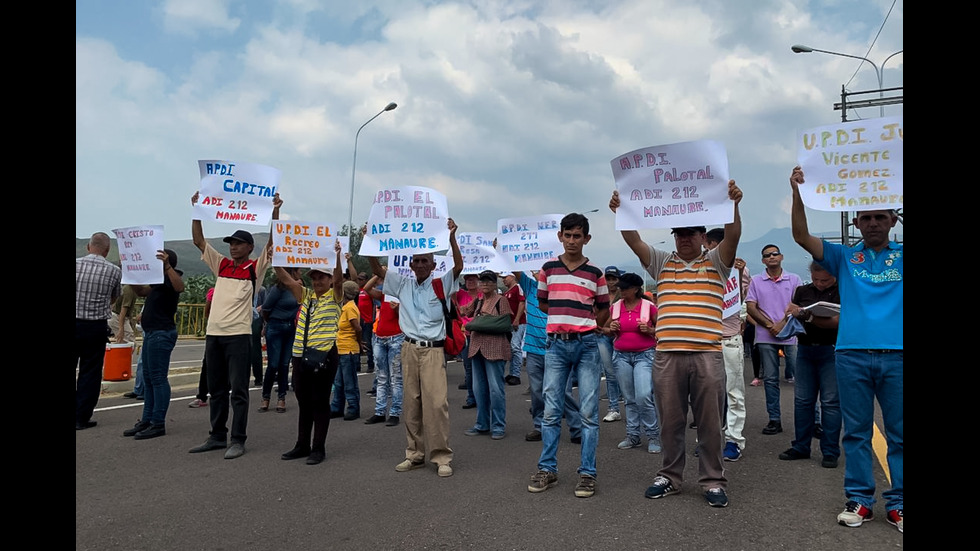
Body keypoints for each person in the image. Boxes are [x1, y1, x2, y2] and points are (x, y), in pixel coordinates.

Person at [609, 179, 743, 508]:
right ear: (674, 237)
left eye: (691, 233)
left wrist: (733, 205)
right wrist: (622, 210)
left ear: (702, 236)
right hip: (667, 355)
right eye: (679, 233)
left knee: (710, 423)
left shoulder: (716, 263)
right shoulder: (661, 261)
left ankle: (712, 480)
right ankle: (669, 476)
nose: (684, 239)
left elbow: (734, 235)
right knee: (671, 421)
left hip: (706, 355)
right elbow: (634, 239)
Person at [789, 165, 902, 533]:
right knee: (856, 432)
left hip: (897, 355)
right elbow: (801, 235)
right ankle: (860, 500)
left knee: (899, 434)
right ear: (856, 223)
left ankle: (898, 505)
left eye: (880, 217)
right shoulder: (842, 258)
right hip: (851, 354)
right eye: (866, 218)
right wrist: (797, 193)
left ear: (893, 220)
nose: (872, 223)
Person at [367, 218, 464, 478]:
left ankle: (441, 455)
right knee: (412, 403)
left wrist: (452, 237)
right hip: (408, 348)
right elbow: (377, 268)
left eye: (425, 261)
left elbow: (459, 266)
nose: (420, 265)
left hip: (433, 351)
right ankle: (415, 454)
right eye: (416, 261)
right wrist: (371, 242)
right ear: (410, 264)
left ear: (433, 265)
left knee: (437, 403)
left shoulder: (440, 283)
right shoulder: (402, 284)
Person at [187, 191, 277, 459]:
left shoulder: (254, 269)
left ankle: (237, 439)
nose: (233, 246)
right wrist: (196, 210)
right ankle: (216, 435)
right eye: (231, 243)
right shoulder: (222, 264)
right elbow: (198, 241)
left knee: (238, 390)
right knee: (217, 389)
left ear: (249, 247)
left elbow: (274, 241)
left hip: (238, 336)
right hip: (214, 335)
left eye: (238, 243)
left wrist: (274, 213)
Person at [526, 212, 610, 499]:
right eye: (568, 235)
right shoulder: (547, 269)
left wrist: (583, 323)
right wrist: (565, 320)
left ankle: (587, 473)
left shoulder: (595, 273)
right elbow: (544, 303)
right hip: (556, 345)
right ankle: (547, 468)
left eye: (578, 236)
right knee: (550, 410)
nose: (572, 240)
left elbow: (603, 308)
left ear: (587, 238)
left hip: (587, 344)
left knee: (588, 412)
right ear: (560, 236)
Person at [276, 240, 344, 465]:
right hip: (300, 356)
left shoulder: (335, 298)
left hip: (324, 356)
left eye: (321, 277)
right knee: (304, 402)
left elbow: (340, 280)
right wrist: (274, 258)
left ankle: (318, 448)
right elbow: (285, 279)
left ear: (330, 279)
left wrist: (336, 257)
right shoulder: (305, 296)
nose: (317, 281)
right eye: (314, 278)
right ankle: (302, 444)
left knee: (320, 401)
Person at [777, 261, 842, 469]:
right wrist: (792, 313)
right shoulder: (802, 290)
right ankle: (801, 446)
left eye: (825, 280)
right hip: (805, 348)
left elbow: (839, 320)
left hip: (831, 349)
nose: (820, 284)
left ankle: (830, 450)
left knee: (831, 403)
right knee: (803, 401)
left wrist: (808, 315)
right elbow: (792, 313)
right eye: (816, 280)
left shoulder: (843, 291)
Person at [122, 249, 185, 439]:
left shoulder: (171, 278)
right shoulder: (158, 282)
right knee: (149, 378)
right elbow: (141, 292)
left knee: (158, 378)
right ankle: (147, 419)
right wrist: (130, 272)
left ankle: (158, 423)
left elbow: (180, 287)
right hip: (151, 333)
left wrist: (166, 266)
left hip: (161, 333)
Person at [516, 270, 583, 445]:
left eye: (542, 271)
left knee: (564, 392)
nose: (538, 273)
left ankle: (576, 428)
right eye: (536, 270)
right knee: (537, 392)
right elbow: (514, 267)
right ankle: (539, 427)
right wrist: (500, 250)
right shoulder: (530, 287)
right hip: (533, 350)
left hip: (558, 349)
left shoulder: (560, 290)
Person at [745, 244, 803, 436]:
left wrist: (782, 323)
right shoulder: (756, 280)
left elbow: (798, 306)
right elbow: (751, 307)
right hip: (765, 336)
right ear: (763, 260)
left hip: (791, 335)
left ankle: (813, 420)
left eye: (774, 254)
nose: (771, 257)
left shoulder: (794, 279)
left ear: (782, 256)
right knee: (770, 380)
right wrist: (770, 325)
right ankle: (774, 419)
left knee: (802, 378)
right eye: (767, 255)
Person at [705, 228, 751, 462]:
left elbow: (741, 303)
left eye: (713, 245)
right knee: (707, 395)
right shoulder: (701, 268)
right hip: (705, 339)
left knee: (734, 393)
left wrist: (741, 271)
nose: (709, 249)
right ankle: (709, 440)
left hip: (729, 339)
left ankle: (734, 440)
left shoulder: (739, 269)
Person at [604, 272, 662, 454]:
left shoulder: (649, 307)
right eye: (620, 287)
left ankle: (653, 435)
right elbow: (604, 329)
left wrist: (650, 330)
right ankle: (633, 435)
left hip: (644, 355)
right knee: (629, 398)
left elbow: (663, 329)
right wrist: (611, 328)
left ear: (636, 289)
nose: (621, 290)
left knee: (643, 395)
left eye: (625, 287)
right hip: (621, 355)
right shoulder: (616, 308)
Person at [459, 270, 514, 440]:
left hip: (495, 349)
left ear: (494, 283)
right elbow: (463, 312)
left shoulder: (501, 300)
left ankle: (498, 425)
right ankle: (482, 424)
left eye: (488, 281)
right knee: (479, 388)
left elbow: (505, 324)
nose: (485, 284)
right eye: (482, 281)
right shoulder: (478, 300)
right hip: (477, 348)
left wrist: (478, 324)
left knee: (496, 389)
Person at [75, 232, 122, 430]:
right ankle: (81, 417)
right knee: (90, 372)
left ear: (88, 246)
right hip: (95, 326)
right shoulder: (114, 271)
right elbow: (114, 297)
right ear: (107, 250)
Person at [362, 273, 404, 427]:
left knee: (395, 378)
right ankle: (379, 412)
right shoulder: (384, 295)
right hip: (379, 338)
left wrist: (398, 309)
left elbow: (408, 318)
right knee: (381, 377)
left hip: (396, 338)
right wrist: (376, 275)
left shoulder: (403, 296)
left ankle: (394, 413)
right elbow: (366, 288)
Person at [259, 267, 302, 413]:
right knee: (273, 364)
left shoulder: (299, 289)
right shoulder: (278, 289)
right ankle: (266, 397)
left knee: (285, 364)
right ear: (292, 273)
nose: (300, 274)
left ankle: (281, 399)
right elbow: (266, 308)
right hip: (276, 326)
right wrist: (269, 323)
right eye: (298, 271)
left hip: (291, 328)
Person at [330, 280, 362, 420]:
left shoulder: (350, 308)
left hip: (348, 349)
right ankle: (337, 407)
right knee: (338, 381)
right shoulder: (344, 307)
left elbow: (357, 328)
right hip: (341, 348)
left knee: (349, 382)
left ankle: (353, 408)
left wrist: (359, 343)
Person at [597, 266, 625, 423]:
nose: (611, 282)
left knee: (624, 372)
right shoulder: (599, 295)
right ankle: (613, 408)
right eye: (608, 278)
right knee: (609, 372)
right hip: (602, 337)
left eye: (614, 278)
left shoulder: (625, 296)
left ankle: (631, 409)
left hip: (620, 337)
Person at [113, 284, 144, 400]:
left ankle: (120, 368)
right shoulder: (130, 290)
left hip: (121, 318)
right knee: (130, 343)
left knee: (124, 343)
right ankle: (120, 368)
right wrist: (121, 328)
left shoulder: (127, 288)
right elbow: (123, 310)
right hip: (118, 317)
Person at [454, 273, 481, 408]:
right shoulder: (461, 294)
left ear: (478, 280)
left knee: (481, 367)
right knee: (469, 368)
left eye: (473, 279)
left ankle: (482, 396)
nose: (470, 282)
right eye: (467, 279)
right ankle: (471, 397)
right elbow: (451, 293)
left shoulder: (483, 295)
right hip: (466, 335)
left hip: (481, 334)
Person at [188, 287, 214, 408]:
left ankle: (206, 396)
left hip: (224, 332)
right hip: (215, 331)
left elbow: (207, 312)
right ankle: (202, 396)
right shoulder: (213, 291)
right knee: (208, 364)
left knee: (212, 364)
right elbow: (207, 312)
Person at [501, 272, 526, 385]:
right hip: (509, 323)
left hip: (518, 323)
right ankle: (512, 373)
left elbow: (522, 302)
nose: (503, 280)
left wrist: (517, 319)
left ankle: (516, 374)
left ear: (512, 277)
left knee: (515, 347)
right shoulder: (508, 291)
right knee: (511, 349)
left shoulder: (518, 287)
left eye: (505, 277)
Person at [356, 271, 377, 373]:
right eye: (358, 279)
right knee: (358, 342)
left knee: (367, 343)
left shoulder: (369, 291)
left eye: (361, 279)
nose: (359, 281)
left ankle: (370, 364)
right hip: (358, 320)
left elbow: (374, 305)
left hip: (368, 321)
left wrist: (372, 319)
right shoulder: (357, 290)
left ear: (365, 280)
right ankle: (357, 365)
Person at [249, 284, 267, 387]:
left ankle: (258, 378)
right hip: (245, 319)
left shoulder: (261, 290)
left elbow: (266, 305)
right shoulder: (244, 287)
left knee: (255, 350)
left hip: (256, 320)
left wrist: (264, 325)